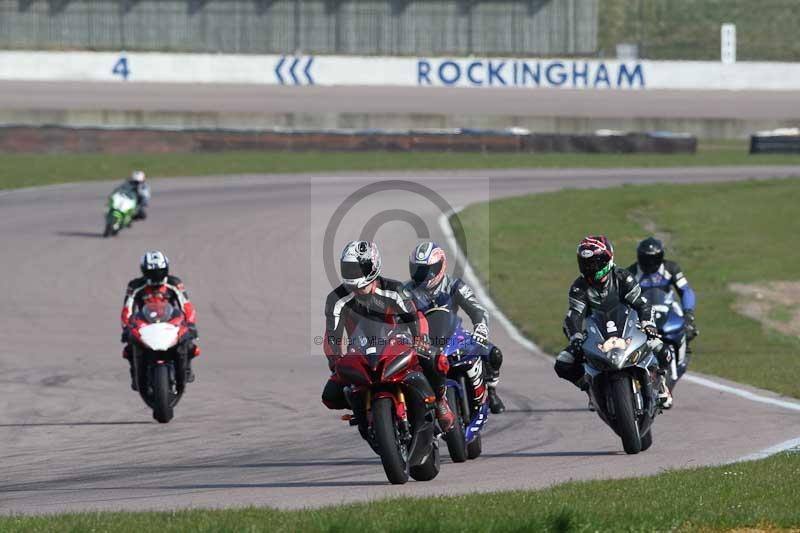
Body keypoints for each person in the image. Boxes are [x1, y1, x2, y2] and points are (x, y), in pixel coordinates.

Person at [321, 240, 455, 431]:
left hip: (397, 343)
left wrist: (420, 340)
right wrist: (334, 359)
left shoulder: (394, 289)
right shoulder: (336, 299)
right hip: (360, 350)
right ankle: (362, 410)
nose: (353, 274)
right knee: (330, 395)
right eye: (349, 268)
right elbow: (332, 334)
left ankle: (441, 401)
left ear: (373, 266)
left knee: (436, 359)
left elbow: (415, 317)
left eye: (359, 268)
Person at [554, 235, 673, 409]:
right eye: (585, 263)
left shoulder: (623, 277)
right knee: (562, 363)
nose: (590, 267)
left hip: (630, 327)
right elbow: (573, 316)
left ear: (608, 259)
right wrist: (576, 338)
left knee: (663, 351)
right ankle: (589, 388)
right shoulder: (579, 287)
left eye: (595, 262)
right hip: (596, 333)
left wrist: (648, 324)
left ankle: (660, 382)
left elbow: (642, 304)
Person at [405, 241, 506, 414]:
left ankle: (491, 391)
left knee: (493, 354)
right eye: (419, 270)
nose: (424, 275)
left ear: (441, 266)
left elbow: (477, 309)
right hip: (423, 342)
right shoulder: (406, 291)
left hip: (455, 335)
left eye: (429, 269)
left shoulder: (454, 285)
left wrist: (481, 328)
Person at [120, 251, 200, 390]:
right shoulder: (135, 285)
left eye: (160, 271)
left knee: (189, 344)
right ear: (144, 271)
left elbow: (186, 305)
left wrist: (191, 324)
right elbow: (127, 309)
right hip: (145, 323)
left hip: (170, 321)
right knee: (129, 348)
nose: (156, 276)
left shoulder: (174, 283)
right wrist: (126, 328)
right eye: (152, 272)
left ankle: (186, 368)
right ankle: (135, 374)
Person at [629, 237, 698, 345]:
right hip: (643, 312)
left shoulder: (671, 268)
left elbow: (685, 290)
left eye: (654, 259)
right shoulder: (631, 273)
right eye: (646, 259)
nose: (650, 263)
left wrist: (688, 313)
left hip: (669, 308)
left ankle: (684, 352)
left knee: (687, 330)